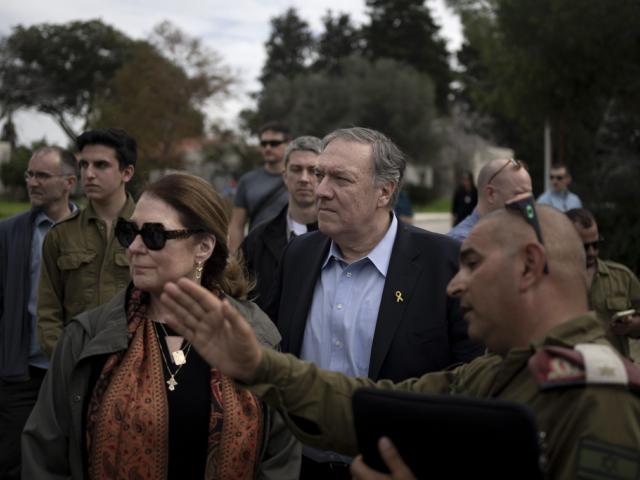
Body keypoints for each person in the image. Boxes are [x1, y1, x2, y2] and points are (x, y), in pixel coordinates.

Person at [160, 201, 640, 480]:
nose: (455, 284)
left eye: (472, 264)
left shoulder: (599, 398)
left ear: (531, 266)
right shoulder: (500, 373)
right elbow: (373, 407)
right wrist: (259, 367)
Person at [22, 173, 300, 479]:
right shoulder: (87, 336)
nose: (135, 248)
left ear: (203, 248)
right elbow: (45, 455)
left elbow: (280, 456)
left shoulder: (255, 334)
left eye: (154, 235)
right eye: (130, 232)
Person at [264, 127, 481, 477]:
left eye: (340, 179)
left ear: (384, 191)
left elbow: (471, 384)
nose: (320, 191)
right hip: (299, 468)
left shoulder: (444, 264)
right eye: (320, 175)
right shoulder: (298, 256)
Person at [0, 146, 77, 480]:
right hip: (20, 372)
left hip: (70, 371)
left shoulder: (90, 234)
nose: (32, 182)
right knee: (11, 460)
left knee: (66, 459)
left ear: (69, 182)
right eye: (30, 174)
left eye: (42, 175)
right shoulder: (9, 232)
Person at [37, 128, 136, 357]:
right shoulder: (61, 234)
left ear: (127, 173)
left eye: (101, 165)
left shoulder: (151, 232)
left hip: (135, 368)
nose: (89, 174)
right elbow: (48, 310)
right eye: (84, 165)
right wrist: (64, 358)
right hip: (75, 364)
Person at [241, 135, 321, 309]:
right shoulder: (257, 239)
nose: (304, 178)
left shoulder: (340, 239)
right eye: (296, 169)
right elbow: (240, 299)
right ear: (285, 176)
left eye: (313, 171)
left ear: (323, 177)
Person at [566, 208, 640, 360]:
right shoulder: (549, 281)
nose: (592, 252)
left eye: (596, 244)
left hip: (615, 373)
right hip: (569, 373)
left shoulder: (622, 277)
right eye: (584, 247)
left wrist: (633, 325)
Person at [229, 122, 291, 253]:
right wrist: (236, 259)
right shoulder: (247, 181)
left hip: (291, 249)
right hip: (256, 251)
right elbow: (237, 224)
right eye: (264, 144)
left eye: (274, 143)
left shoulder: (300, 179)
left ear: (288, 144)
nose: (268, 148)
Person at [448, 158, 532, 242]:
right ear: (490, 194)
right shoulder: (464, 243)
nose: (528, 203)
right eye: (519, 194)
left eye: (529, 196)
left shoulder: (511, 235)